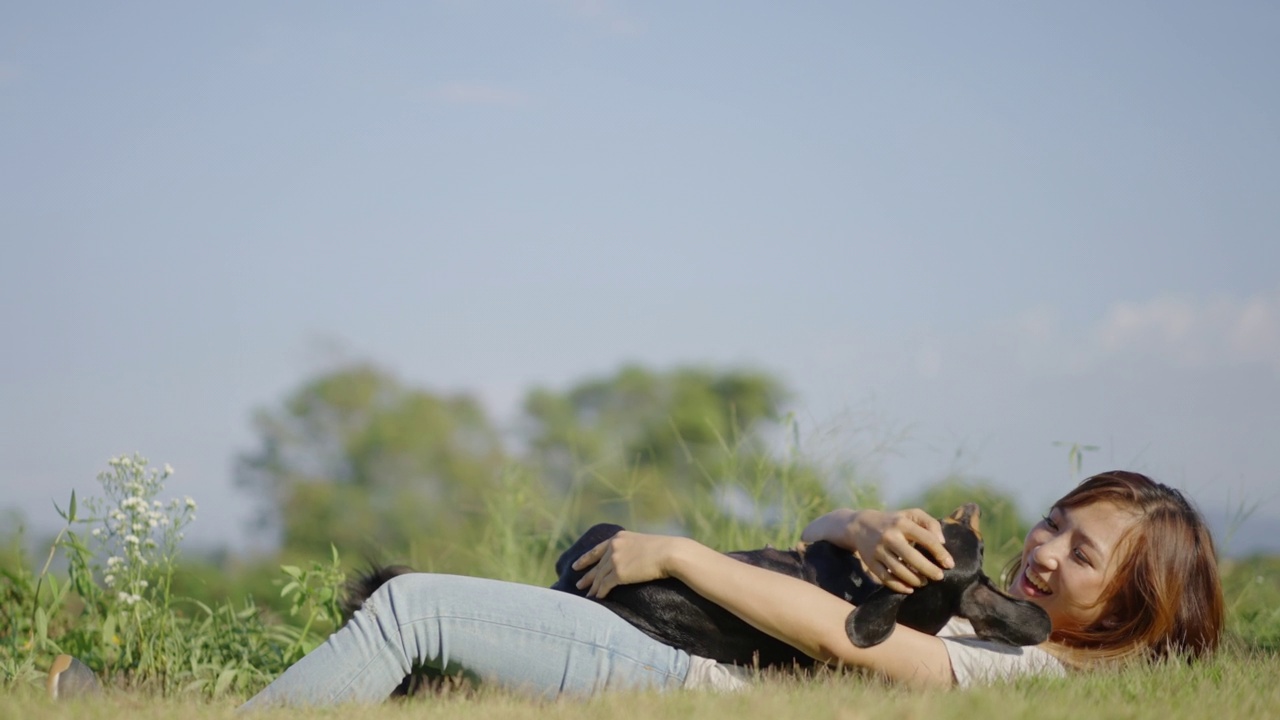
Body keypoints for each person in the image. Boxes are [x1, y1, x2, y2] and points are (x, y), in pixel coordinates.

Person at [47, 471, 1224, 705]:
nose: (1043, 552)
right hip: (690, 644)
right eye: (1053, 525)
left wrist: (674, 554)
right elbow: (821, 549)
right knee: (415, 660)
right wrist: (862, 522)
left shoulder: (1027, 673)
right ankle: (143, 691)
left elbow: (860, 649)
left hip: (690, 674)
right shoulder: (995, 604)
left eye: (1081, 554)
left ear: (1131, 603)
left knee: (413, 613)